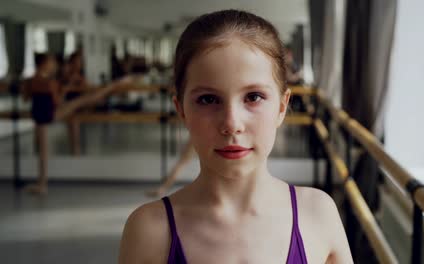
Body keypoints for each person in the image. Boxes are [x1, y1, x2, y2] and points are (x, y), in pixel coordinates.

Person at [119, 10, 353, 263]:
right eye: (208, 99)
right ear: (182, 110)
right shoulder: (150, 231)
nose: (231, 124)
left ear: (282, 107)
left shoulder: (318, 214)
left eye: (253, 97)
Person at [22, 52, 130, 195]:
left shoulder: (31, 80)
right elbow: (57, 101)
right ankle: (113, 86)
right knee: (85, 100)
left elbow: (25, 98)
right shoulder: (50, 82)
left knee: (43, 152)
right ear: (44, 63)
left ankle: (42, 184)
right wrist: (65, 89)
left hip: (39, 116)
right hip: (50, 114)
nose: (54, 65)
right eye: (52, 62)